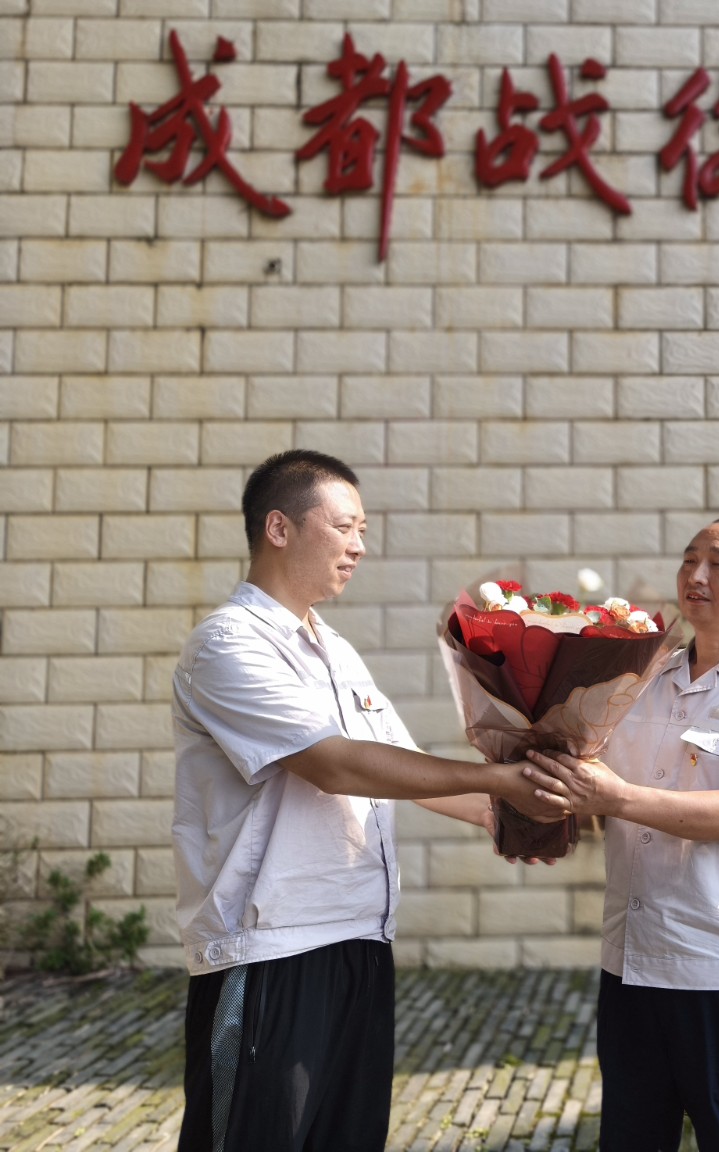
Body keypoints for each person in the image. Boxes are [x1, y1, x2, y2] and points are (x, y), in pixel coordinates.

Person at [172, 449, 563, 1152]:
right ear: (279, 528)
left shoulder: (336, 651)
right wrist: (500, 782)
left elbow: (401, 767)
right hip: (271, 951)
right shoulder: (228, 645)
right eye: (344, 526)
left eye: (364, 531)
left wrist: (511, 814)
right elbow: (335, 764)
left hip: (360, 941)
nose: (358, 546)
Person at [526, 517, 719, 1152]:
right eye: (689, 560)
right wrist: (542, 804)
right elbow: (596, 789)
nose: (697, 575)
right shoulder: (641, 676)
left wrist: (614, 797)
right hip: (632, 962)